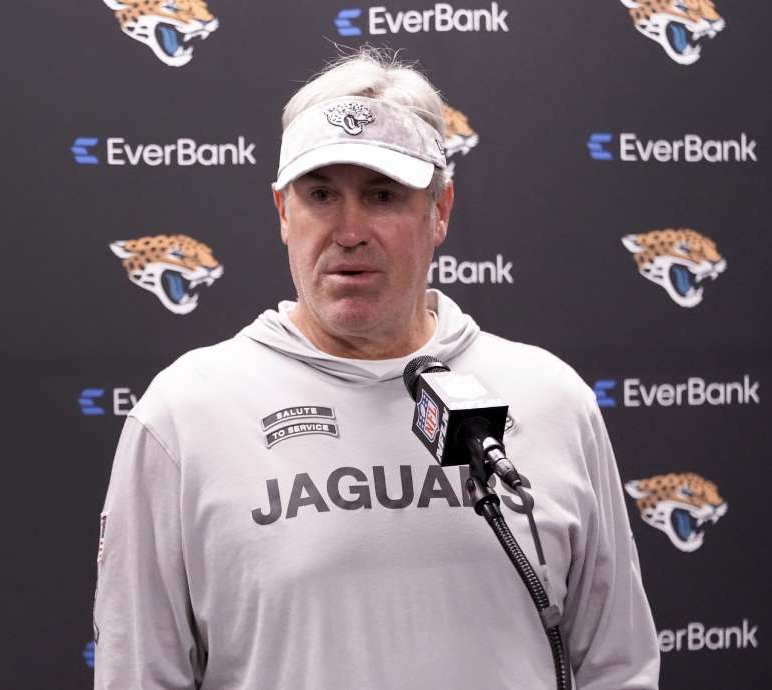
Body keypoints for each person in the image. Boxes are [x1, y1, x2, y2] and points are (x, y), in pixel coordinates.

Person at [93, 49, 660, 689]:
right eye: (321, 194)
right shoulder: (183, 417)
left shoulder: (549, 399)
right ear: (283, 212)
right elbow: (140, 675)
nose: (349, 230)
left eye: (383, 194)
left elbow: (619, 667)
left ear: (439, 210)